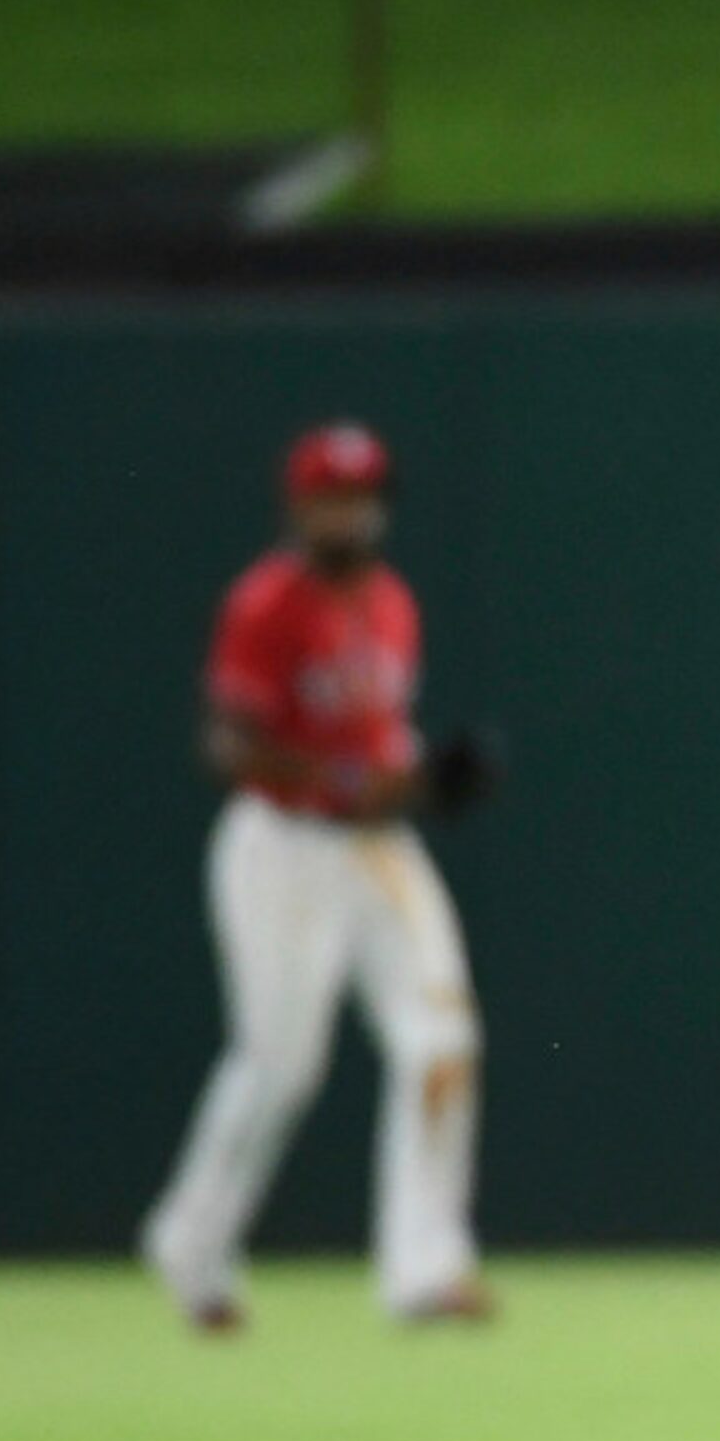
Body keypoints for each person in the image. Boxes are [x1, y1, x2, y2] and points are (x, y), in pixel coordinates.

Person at [142, 422, 493, 1332]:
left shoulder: (392, 605)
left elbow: (380, 750)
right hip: (281, 850)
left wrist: (426, 784)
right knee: (280, 1066)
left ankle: (424, 1267)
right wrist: (343, 779)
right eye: (331, 494)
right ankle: (192, 1244)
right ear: (298, 503)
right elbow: (226, 743)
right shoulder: (267, 604)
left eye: (363, 492)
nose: (349, 510)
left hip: (373, 850)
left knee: (441, 1040)